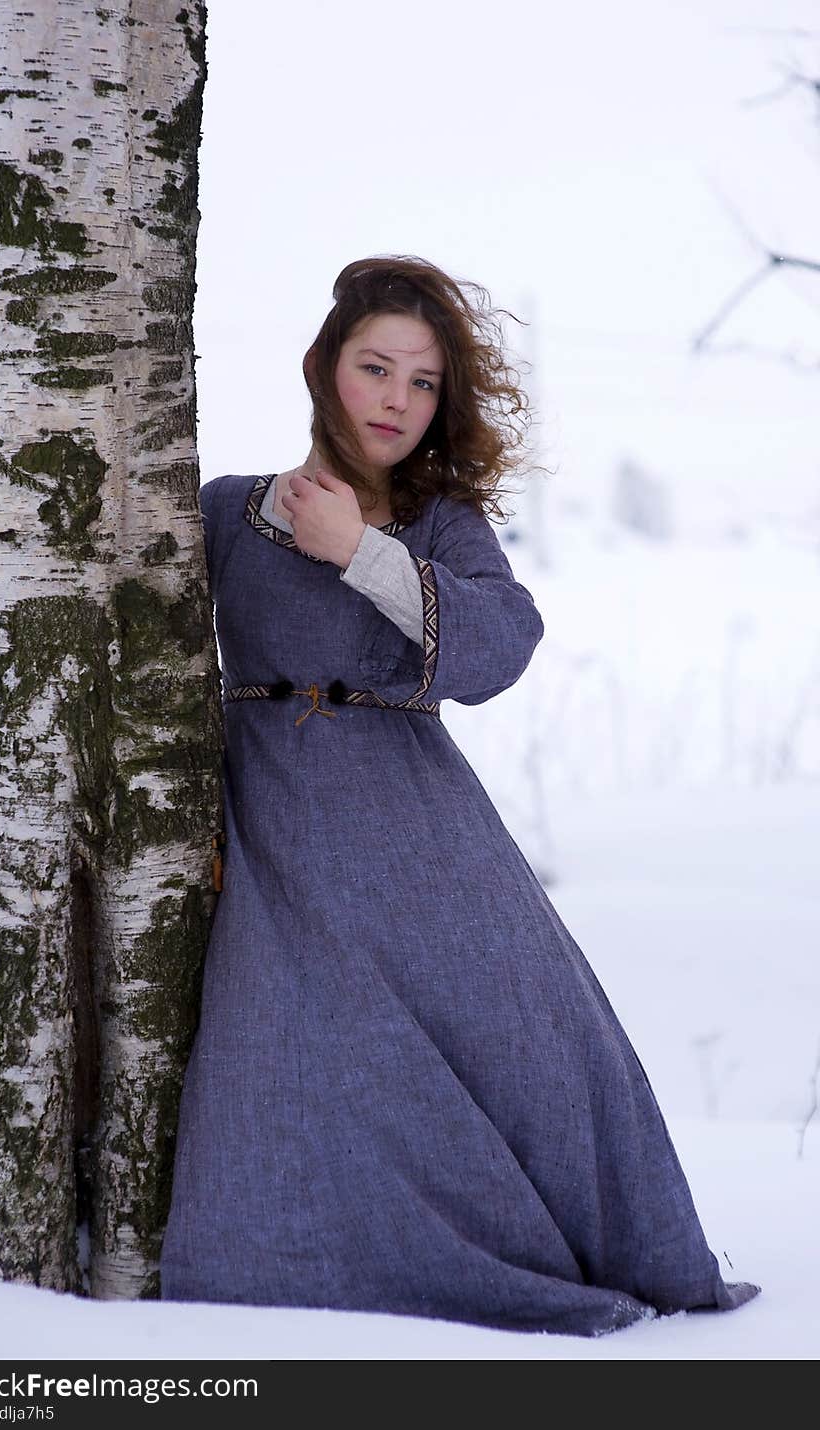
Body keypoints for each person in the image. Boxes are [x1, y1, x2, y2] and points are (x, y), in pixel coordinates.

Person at [159, 255, 760, 1336]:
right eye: (374, 366)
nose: (395, 397)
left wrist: (359, 553)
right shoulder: (221, 509)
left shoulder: (438, 521)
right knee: (284, 1060)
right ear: (323, 368)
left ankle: (548, 1252)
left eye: (422, 381)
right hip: (274, 831)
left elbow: (501, 644)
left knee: (532, 1043)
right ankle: (283, 1279)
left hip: (423, 840)